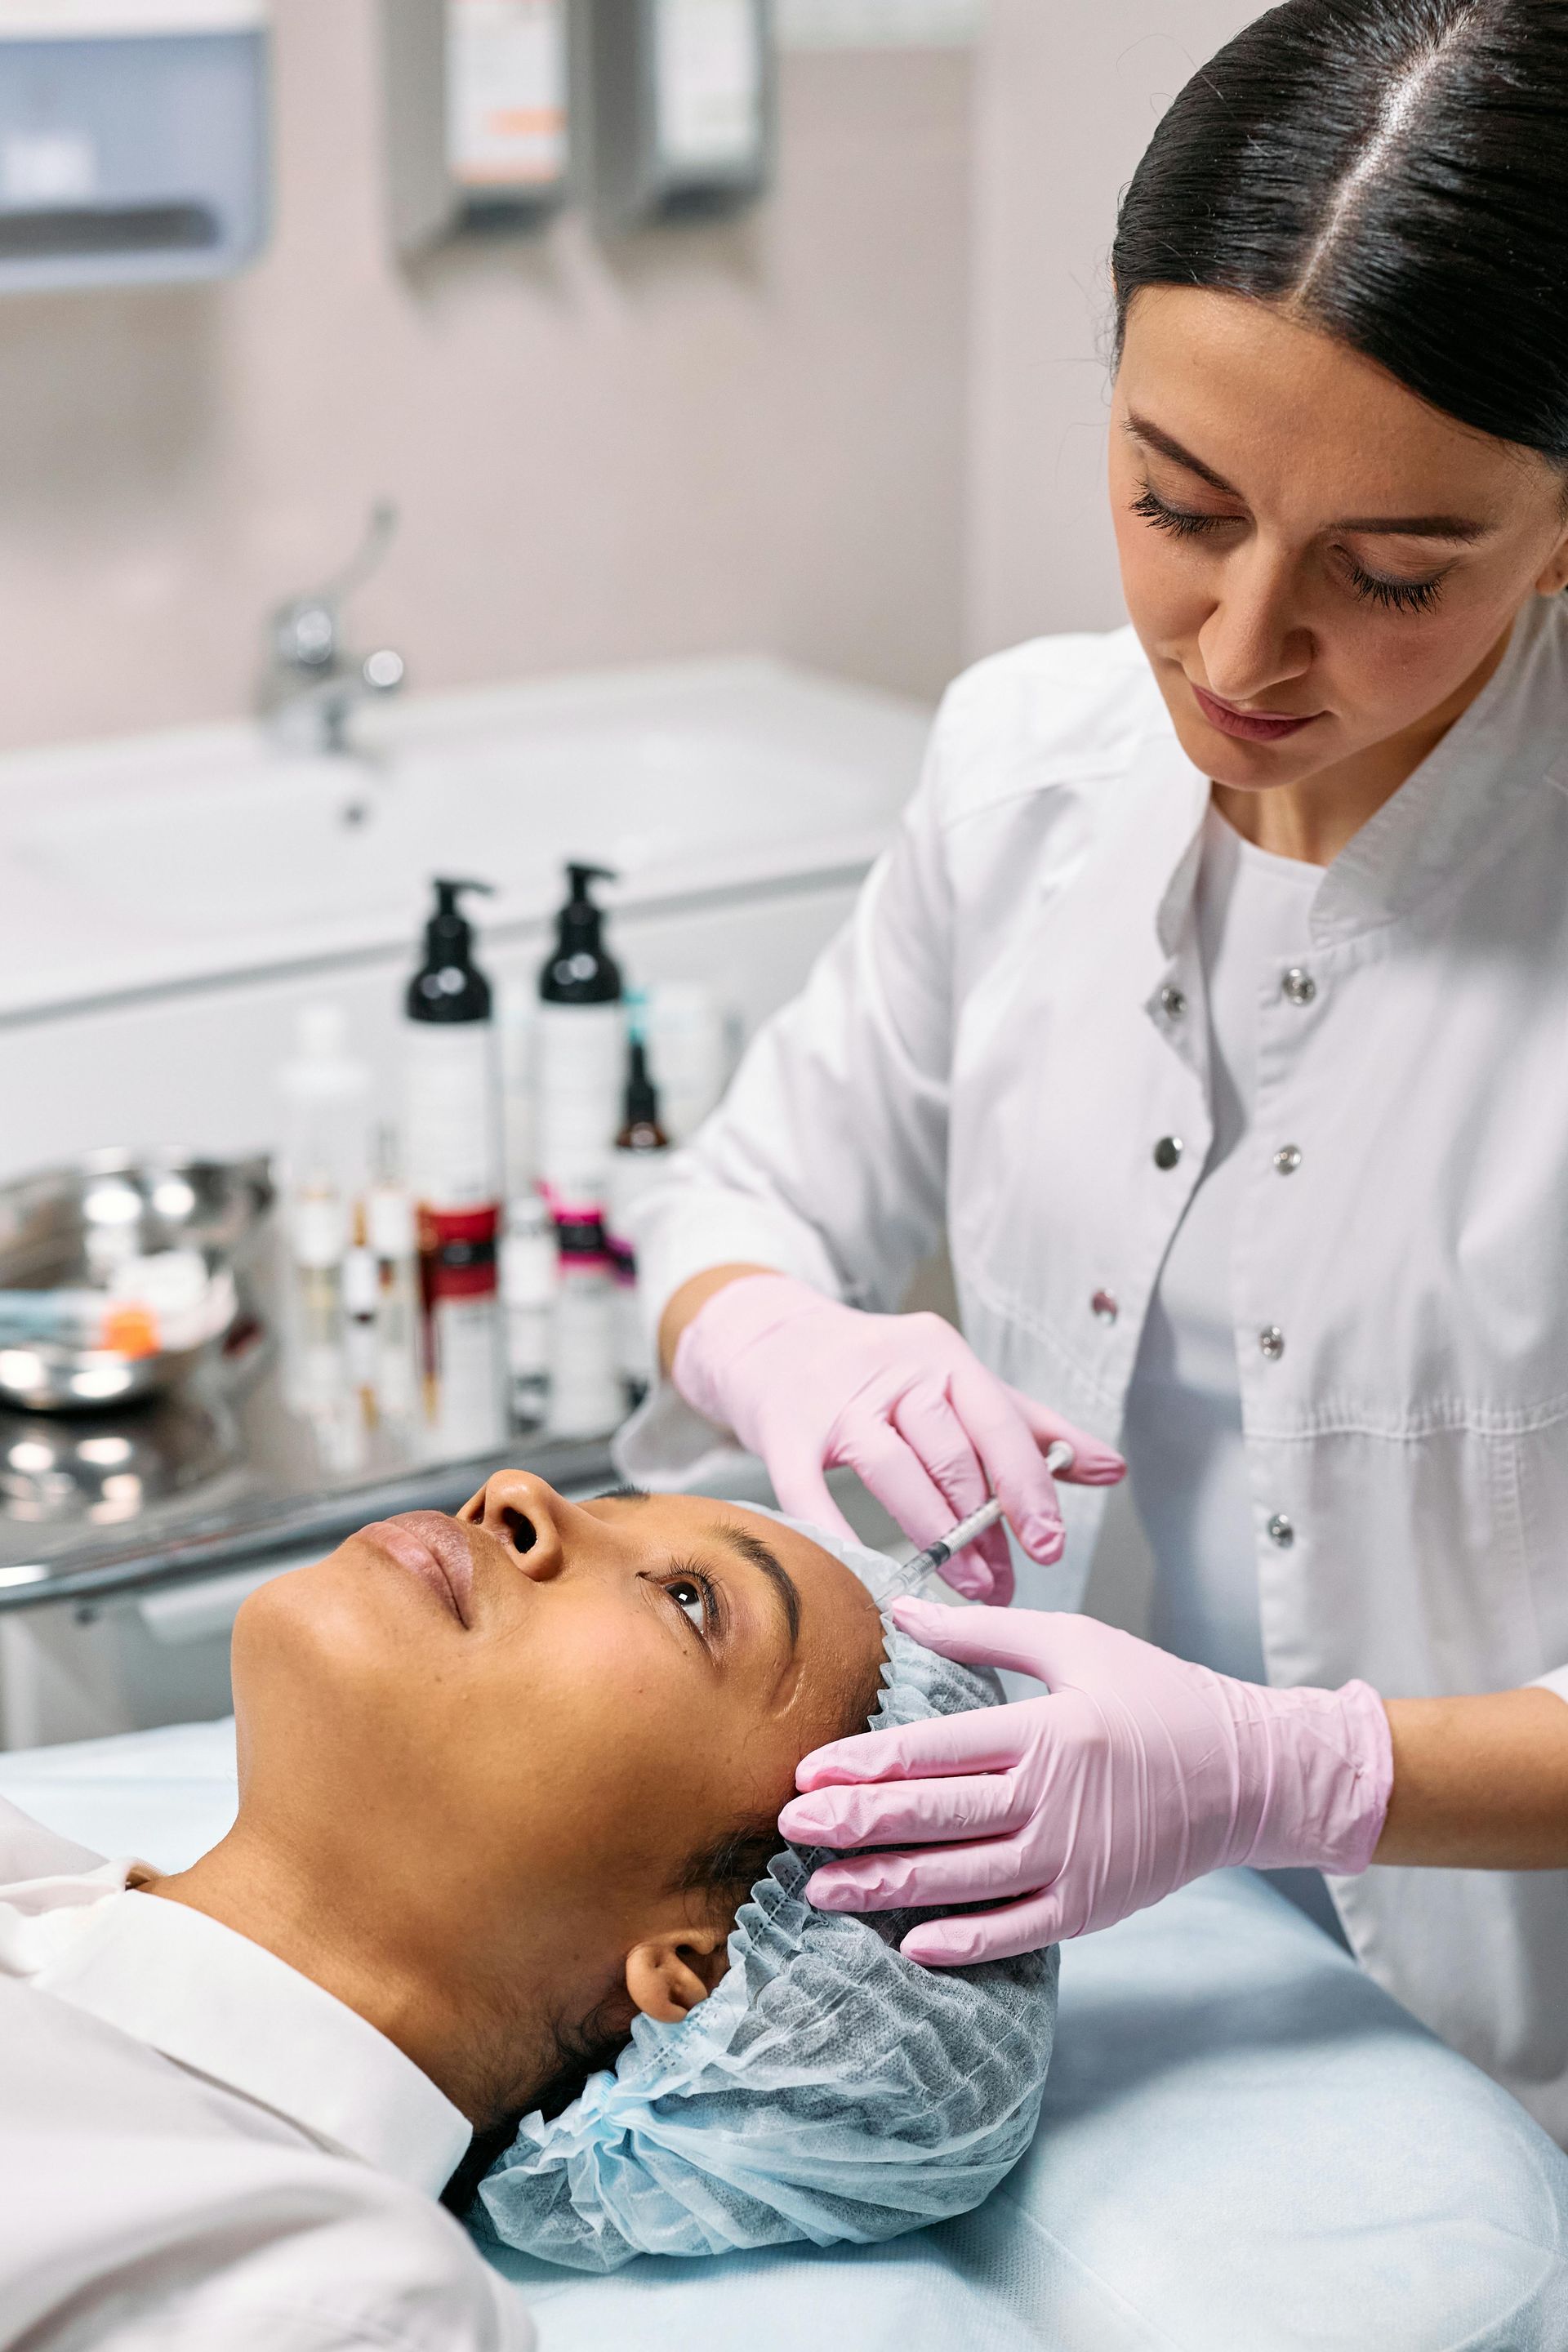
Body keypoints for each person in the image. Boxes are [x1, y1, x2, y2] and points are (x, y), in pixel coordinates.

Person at [622, 0, 1568, 2147]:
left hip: (1530, 2068)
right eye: (1175, 502)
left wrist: (1297, 1767)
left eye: (1388, 576)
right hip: (1094, 2004)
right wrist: (785, 1339)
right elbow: (738, 1202)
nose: (1238, 654)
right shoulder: (1025, 762)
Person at [0, 1476, 888, 2350]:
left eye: (690, 1602)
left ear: (705, 1969)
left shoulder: (343, 2296)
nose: (514, 1492)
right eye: (605, 1505)